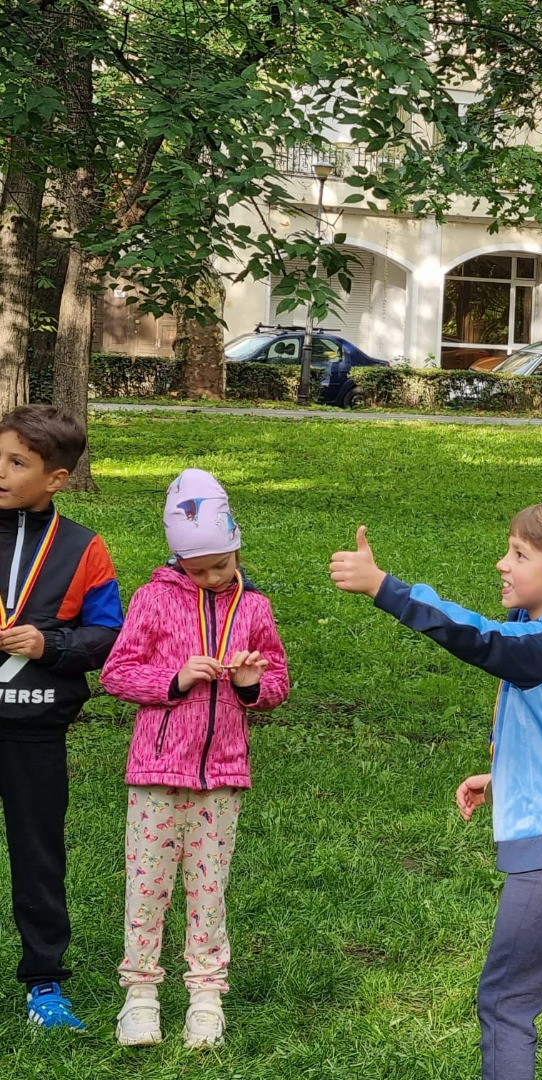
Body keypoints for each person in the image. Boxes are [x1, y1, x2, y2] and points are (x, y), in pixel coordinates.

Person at [329, 501, 542, 1080]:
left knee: (504, 1003)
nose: (502, 563)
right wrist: (502, 778)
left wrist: (385, 588)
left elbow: (479, 637)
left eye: (520, 555)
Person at [101, 469, 289, 1048]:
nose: (211, 577)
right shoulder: (153, 599)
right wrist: (175, 679)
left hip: (222, 773)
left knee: (209, 889)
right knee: (147, 884)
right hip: (156, 771)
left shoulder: (254, 607)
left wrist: (253, 685)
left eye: (221, 565)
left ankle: (206, 996)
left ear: (236, 548)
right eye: (198, 568)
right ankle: (140, 995)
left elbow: (278, 681)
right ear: (178, 560)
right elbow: (117, 673)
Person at [0, 405, 122, 1030]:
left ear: (56, 479)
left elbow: (109, 634)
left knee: (39, 857)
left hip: (34, 730)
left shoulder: (83, 548)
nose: (0, 471)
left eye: (16, 462)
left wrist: (51, 645)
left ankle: (44, 983)